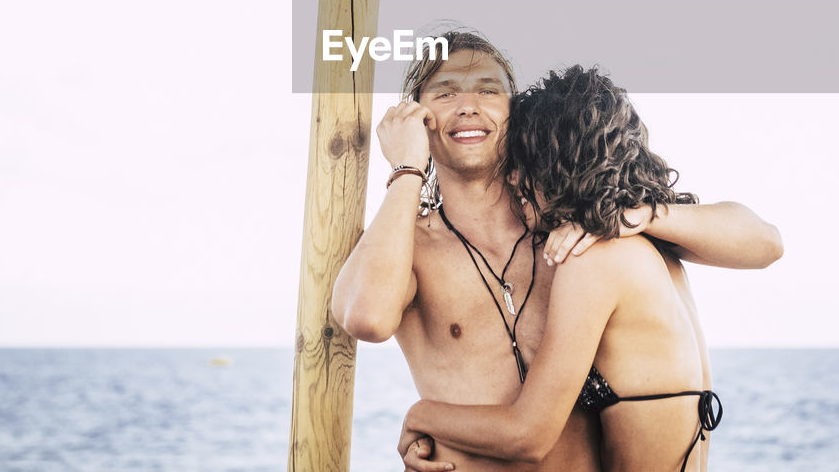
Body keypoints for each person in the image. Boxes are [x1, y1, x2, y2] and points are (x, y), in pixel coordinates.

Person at [331, 32, 783, 472]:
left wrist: (642, 213)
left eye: (488, 89)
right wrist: (408, 169)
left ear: (518, 112)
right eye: (445, 93)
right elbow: (366, 317)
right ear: (416, 117)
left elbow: (764, 243)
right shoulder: (405, 245)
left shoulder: (576, 228)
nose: (468, 105)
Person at [399, 65, 726, 472]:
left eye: (525, 163)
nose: (514, 178)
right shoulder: (659, 248)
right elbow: (765, 240)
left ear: (560, 165)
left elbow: (528, 435)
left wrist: (421, 416)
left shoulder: (592, 260)